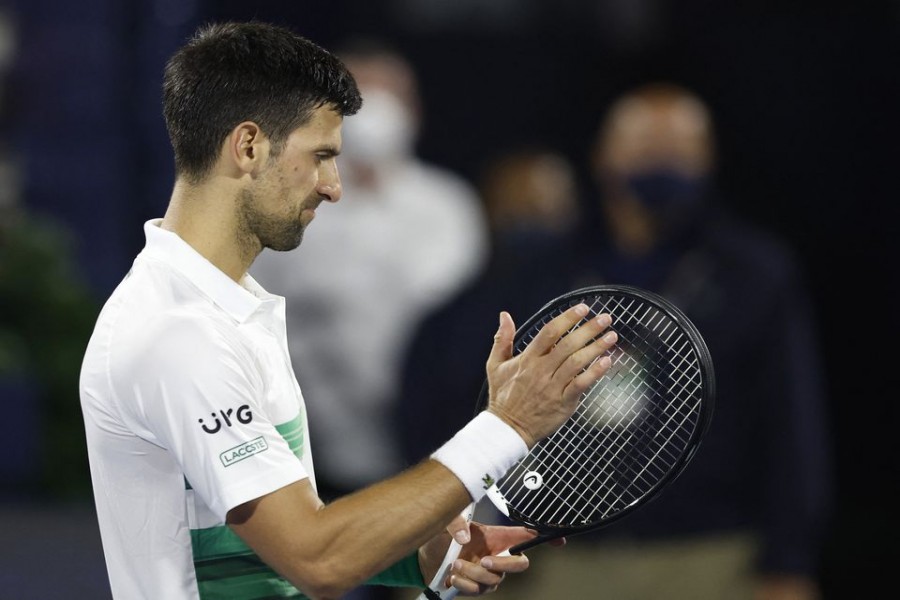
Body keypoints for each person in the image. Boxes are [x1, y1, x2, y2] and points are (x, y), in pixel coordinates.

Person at [78, 22, 619, 600]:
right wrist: (507, 424)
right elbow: (318, 558)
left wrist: (418, 558)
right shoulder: (179, 335)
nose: (334, 187)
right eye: (321, 156)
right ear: (249, 147)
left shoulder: (222, 310)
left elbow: (263, 543)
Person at [399, 84, 832, 600]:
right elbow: (454, 394)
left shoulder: (756, 274)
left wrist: (790, 561)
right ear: (604, 157)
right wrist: (460, 518)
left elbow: (791, 425)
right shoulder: (538, 274)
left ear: (709, 160)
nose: (661, 162)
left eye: (678, 151)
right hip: (560, 560)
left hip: (710, 558)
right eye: (646, 148)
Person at [250, 41, 488, 504]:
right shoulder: (284, 210)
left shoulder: (450, 207)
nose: (374, 115)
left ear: (413, 110)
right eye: (357, 100)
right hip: (317, 464)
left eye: (388, 98)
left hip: (434, 457)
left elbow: (461, 330)